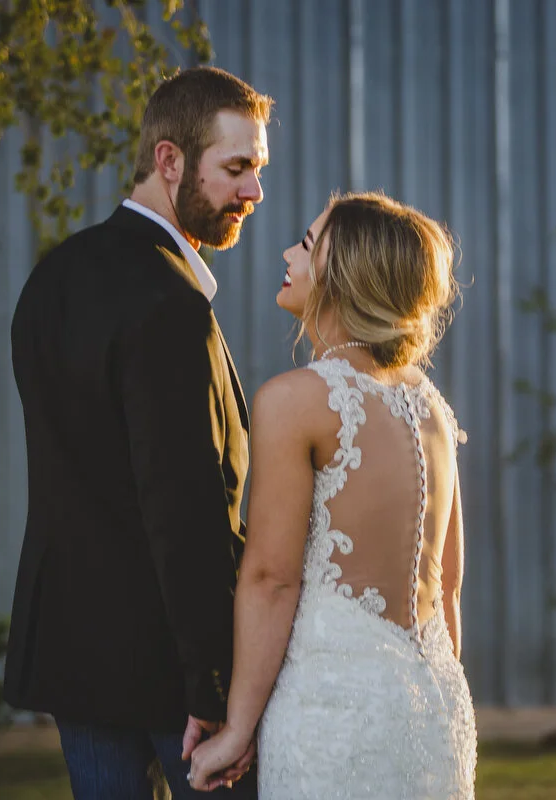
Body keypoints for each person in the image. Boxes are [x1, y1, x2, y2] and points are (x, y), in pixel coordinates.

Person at [3, 66, 272, 799]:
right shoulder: (169, 305)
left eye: (258, 169)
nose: (254, 193)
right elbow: (184, 509)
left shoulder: (53, 279)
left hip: (72, 651)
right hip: (168, 672)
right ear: (169, 161)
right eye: (237, 168)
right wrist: (214, 687)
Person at [186, 191, 478, 798]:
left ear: (344, 276)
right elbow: (446, 588)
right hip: (435, 713)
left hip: (336, 720)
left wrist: (237, 728)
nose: (289, 252)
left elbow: (271, 577)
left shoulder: (295, 400)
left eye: (307, 243)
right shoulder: (431, 408)